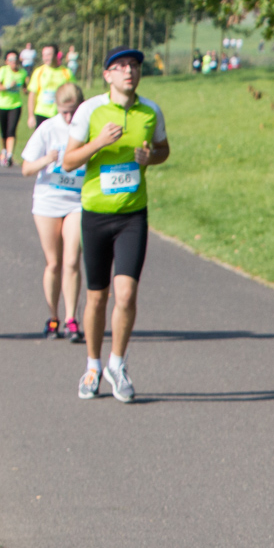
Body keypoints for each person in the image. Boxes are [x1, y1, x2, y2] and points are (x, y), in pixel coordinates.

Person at [61, 48, 169, 402]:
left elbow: (164, 150)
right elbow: (68, 162)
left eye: (134, 66)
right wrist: (98, 143)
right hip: (95, 213)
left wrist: (150, 157)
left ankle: (117, 365)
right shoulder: (89, 110)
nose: (129, 72)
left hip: (132, 215)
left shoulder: (150, 111)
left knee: (125, 294)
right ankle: (93, 366)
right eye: (121, 67)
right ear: (107, 75)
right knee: (96, 297)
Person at [20, 81, 86, 340]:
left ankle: (71, 318)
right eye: (64, 112)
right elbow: (26, 169)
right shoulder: (47, 128)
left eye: (74, 111)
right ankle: (53, 317)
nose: (69, 117)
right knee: (54, 263)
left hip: (77, 201)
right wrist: (46, 160)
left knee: (72, 260)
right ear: (57, 108)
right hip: (48, 201)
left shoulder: (88, 129)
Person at [0, 50, 26, 166]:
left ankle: (10, 155)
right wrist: (7, 86)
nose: (13, 62)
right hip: (2, 105)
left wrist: (26, 89)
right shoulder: (3, 71)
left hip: (16, 105)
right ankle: (4, 150)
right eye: (10, 60)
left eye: (15, 59)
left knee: (12, 130)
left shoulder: (22, 73)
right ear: (6, 61)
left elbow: (25, 87)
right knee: (4, 132)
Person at [27, 43, 71, 128]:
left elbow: (73, 95)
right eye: (44, 55)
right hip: (41, 113)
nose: (46, 58)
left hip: (60, 114)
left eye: (49, 55)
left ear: (56, 55)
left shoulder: (66, 73)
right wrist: (31, 116)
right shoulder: (38, 72)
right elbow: (32, 94)